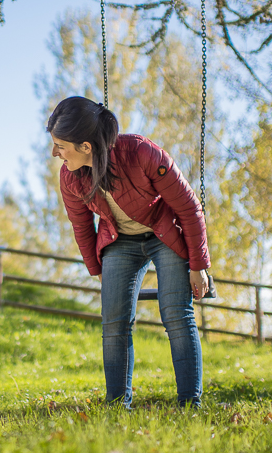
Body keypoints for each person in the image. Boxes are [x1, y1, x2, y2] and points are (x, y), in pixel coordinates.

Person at [46, 96, 211, 408]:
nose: (55, 153)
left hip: (165, 233)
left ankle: (190, 403)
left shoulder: (140, 152)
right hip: (119, 240)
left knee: (176, 313)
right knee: (114, 321)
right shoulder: (70, 176)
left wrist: (198, 264)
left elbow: (189, 208)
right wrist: (96, 270)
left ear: (86, 146)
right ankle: (118, 404)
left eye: (60, 145)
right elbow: (81, 224)